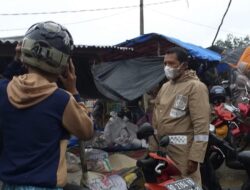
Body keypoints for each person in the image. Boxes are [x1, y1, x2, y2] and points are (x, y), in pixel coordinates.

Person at [0, 21, 93, 190]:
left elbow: (6, 79)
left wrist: (17, 61)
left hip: (9, 185)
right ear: (64, 65)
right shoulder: (61, 99)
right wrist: (73, 90)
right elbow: (86, 131)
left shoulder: (3, 90)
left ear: (25, 51)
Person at [149, 47, 210, 187]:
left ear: (184, 65)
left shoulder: (195, 87)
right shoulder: (165, 87)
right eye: (165, 63)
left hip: (184, 153)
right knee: (167, 184)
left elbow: (201, 127)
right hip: (164, 151)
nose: (167, 67)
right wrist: (152, 149)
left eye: (172, 63)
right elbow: (156, 119)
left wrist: (195, 158)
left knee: (188, 185)